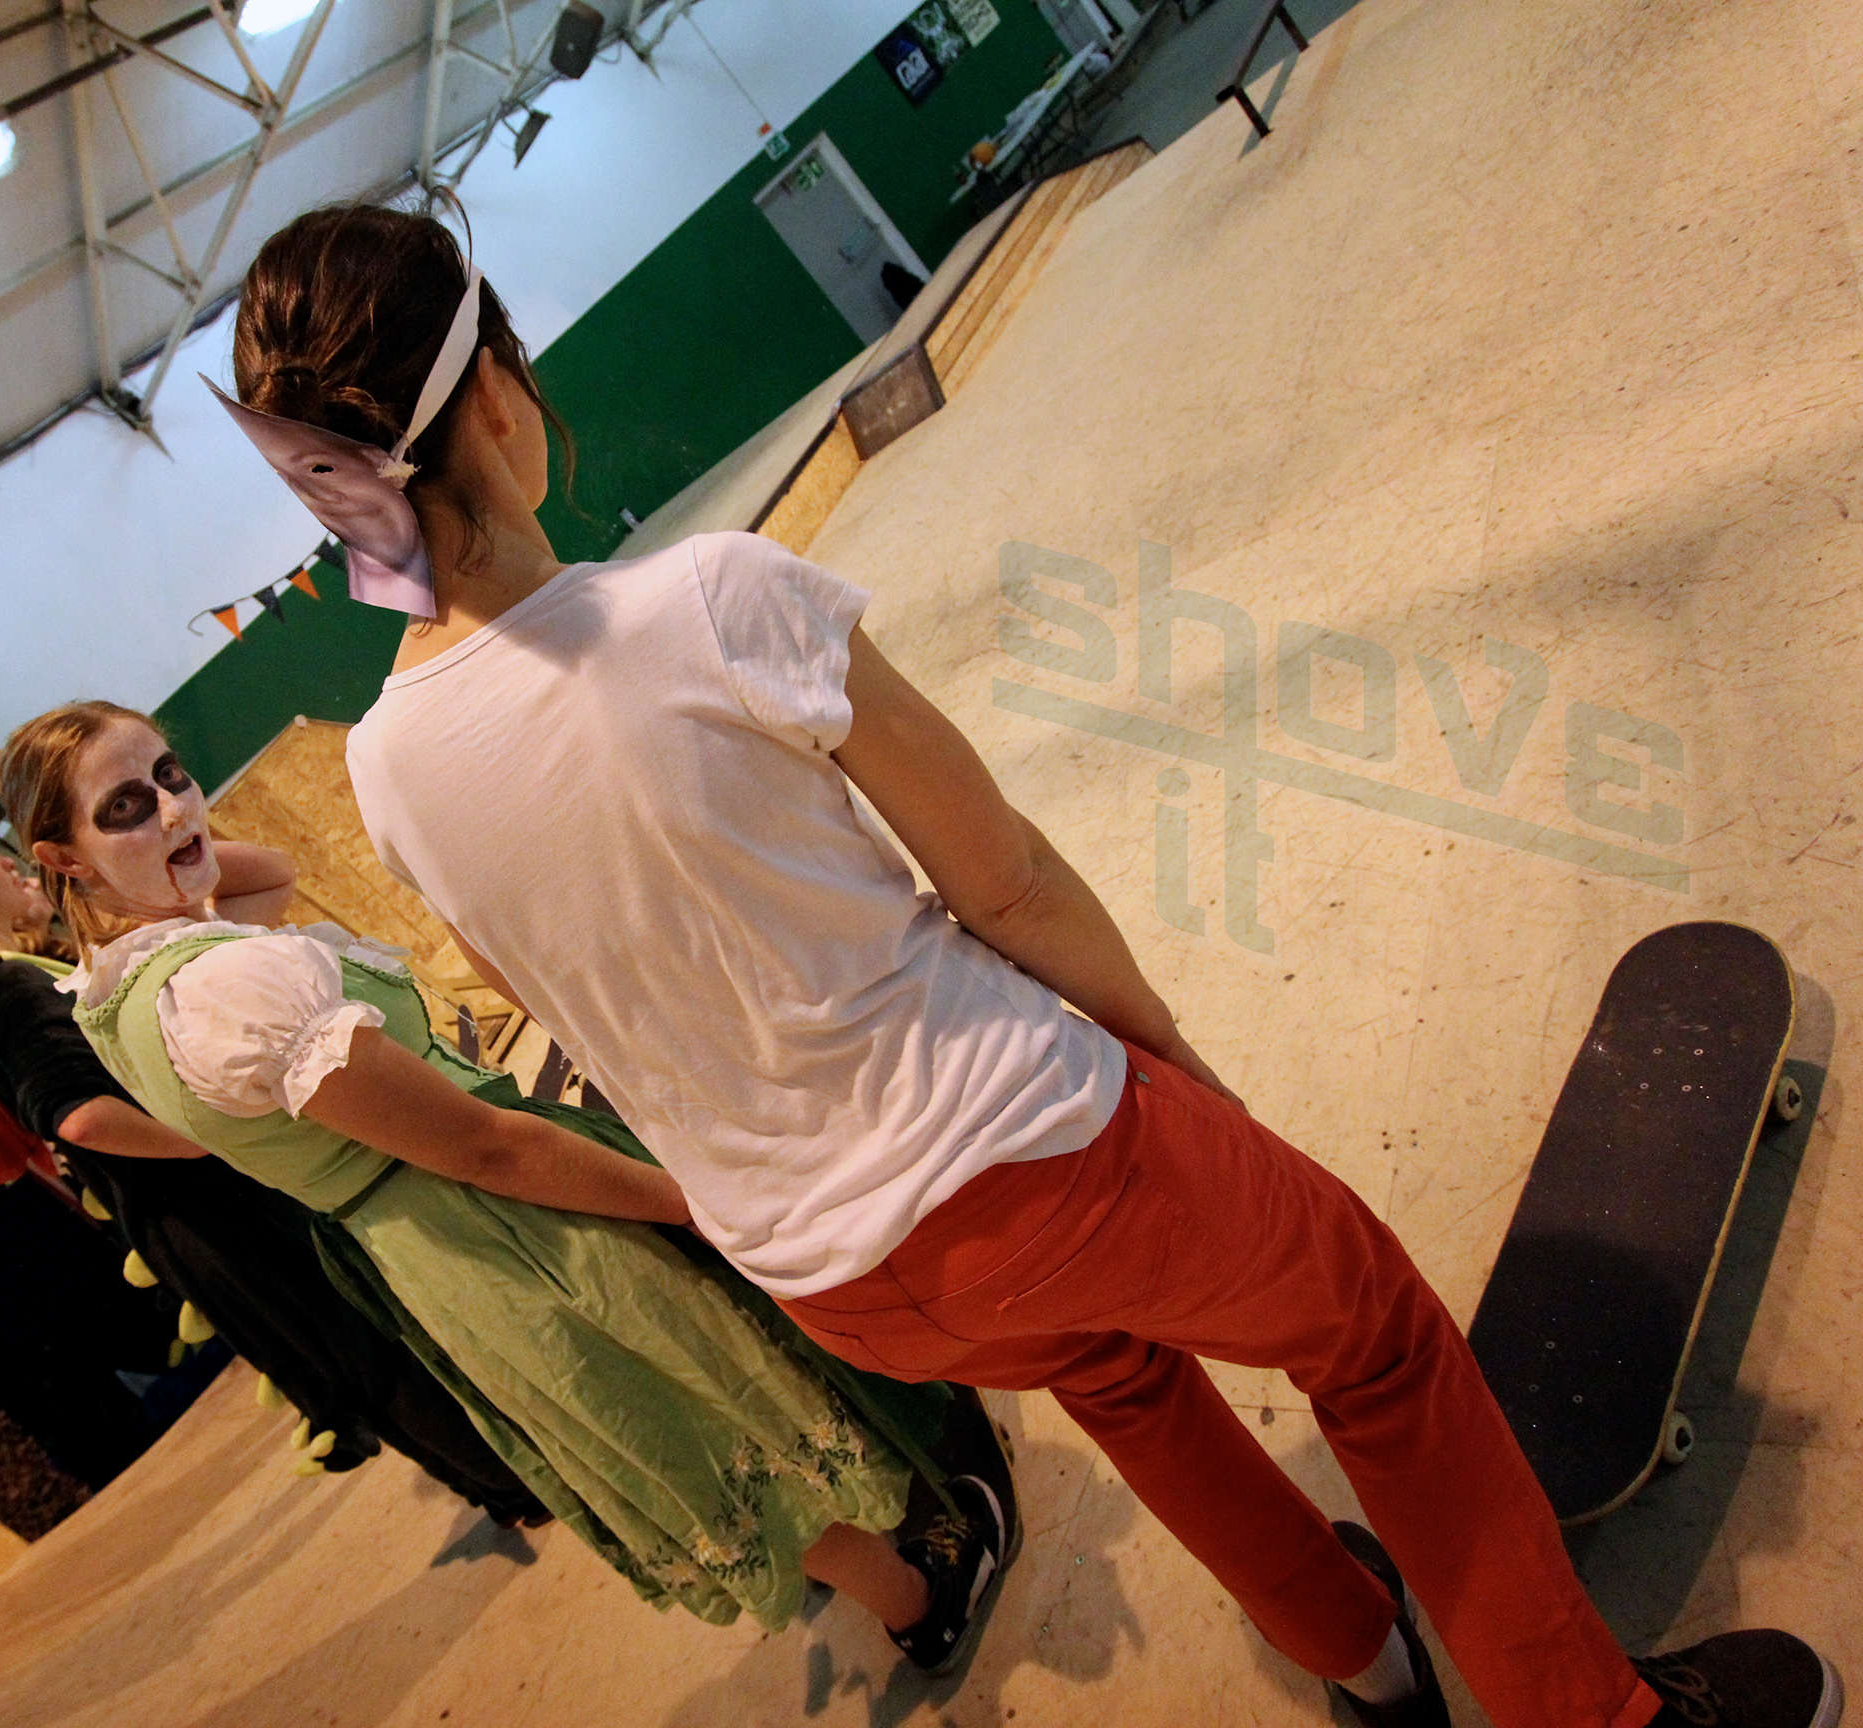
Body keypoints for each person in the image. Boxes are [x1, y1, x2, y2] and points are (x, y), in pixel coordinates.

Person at [216, 200, 1842, 1728]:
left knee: (1124, 1380)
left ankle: (1358, 1652)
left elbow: (557, 995)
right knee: (1371, 1330)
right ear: (501, 397)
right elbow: (1003, 878)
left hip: (834, 1277)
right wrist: (1172, 1066)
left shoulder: (385, 766)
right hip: (1024, 1154)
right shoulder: (712, 600)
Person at [2, 698, 1016, 1666]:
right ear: (61, 858)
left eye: (172, 773)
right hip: (498, 1223)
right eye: (125, 806)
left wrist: (169, 847)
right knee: (709, 1390)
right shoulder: (224, 989)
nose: (173, 806)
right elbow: (485, 1146)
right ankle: (922, 1598)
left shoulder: (121, 986)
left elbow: (270, 874)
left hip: (428, 1246)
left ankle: (894, 1581)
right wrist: (690, 1204)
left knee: (680, 1414)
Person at [0, 814, 546, 1520]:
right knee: (369, 1345)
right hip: (215, 1213)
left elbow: (268, 874)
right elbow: (78, 1116)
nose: (6, 863)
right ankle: (517, 1484)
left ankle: (506, 1484)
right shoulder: (2, 985)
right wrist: (201, 1137)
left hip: (198, 1220)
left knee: (356, 1346)